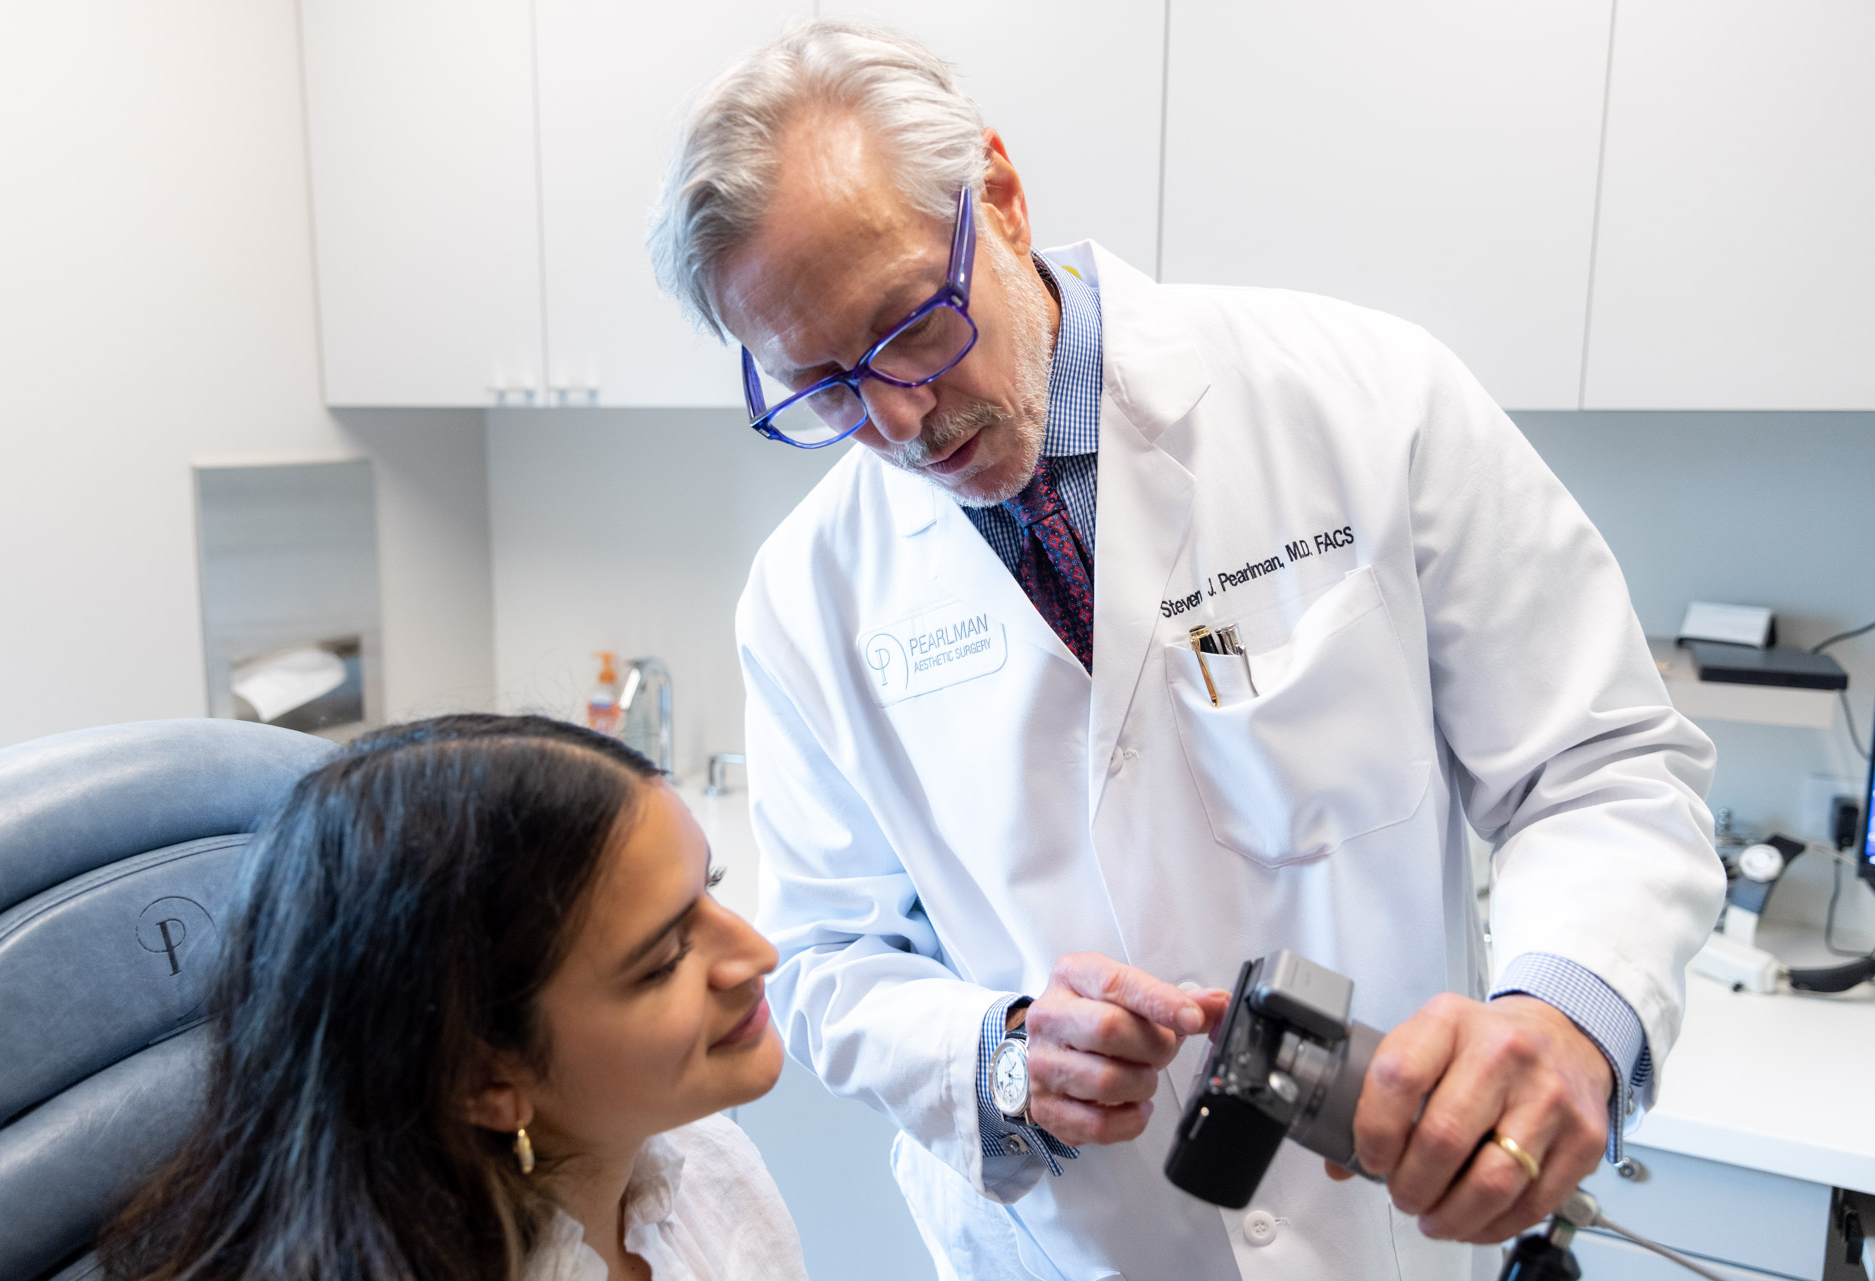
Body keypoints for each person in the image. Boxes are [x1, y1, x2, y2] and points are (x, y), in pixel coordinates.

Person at [648, 20, 1726, 1281]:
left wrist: (1565, 1016)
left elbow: (1600, 769)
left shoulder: (1365, 400)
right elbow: (829, 959)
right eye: (820, 385)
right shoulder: (806, 593)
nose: (896, 418)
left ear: (995, 191)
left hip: (1377, 1233)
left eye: (908, 326)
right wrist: (999, 1058)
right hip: (1063, 1253)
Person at [100, 714, 807, 1281]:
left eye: (708, 887)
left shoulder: (708, 1164)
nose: (758, 954)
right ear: (486, 1078)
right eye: (665, 960)